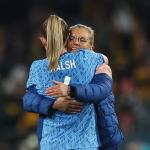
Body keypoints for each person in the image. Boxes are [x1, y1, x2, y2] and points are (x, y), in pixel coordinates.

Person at [23, 15, 113, 150]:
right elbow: (104, 60)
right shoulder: (87, 58)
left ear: (42, 40)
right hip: (85, 144)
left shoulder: (37, 67)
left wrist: (53, 104)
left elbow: (28, 101)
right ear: (67, 39)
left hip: (51, 144)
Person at [45, 24, 123, 150]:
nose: (76, 43)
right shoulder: (57, 70)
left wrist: (71, 90)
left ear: (92, 47)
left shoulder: (100, 67)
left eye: (82, 40)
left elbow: (100, 90)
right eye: (71, 38)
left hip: (101, 139)